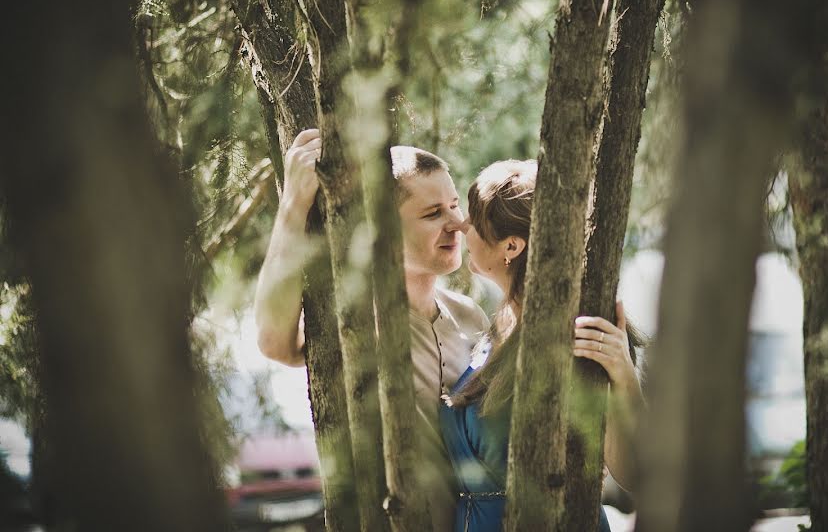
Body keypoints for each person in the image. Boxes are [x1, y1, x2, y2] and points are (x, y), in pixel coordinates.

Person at [254, 129, 490, 531]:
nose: (458, 223)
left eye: (454, 205)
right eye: (433, 214)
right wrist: (294, 203)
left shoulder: (471, 317)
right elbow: (276, 342)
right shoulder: (355, 323)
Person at [440, 159, 645, 532]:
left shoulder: (575, 334)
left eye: (473, 218)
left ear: (511, 246)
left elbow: (635, 473)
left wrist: (623, 374)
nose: (462, 226)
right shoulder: (496, 328)